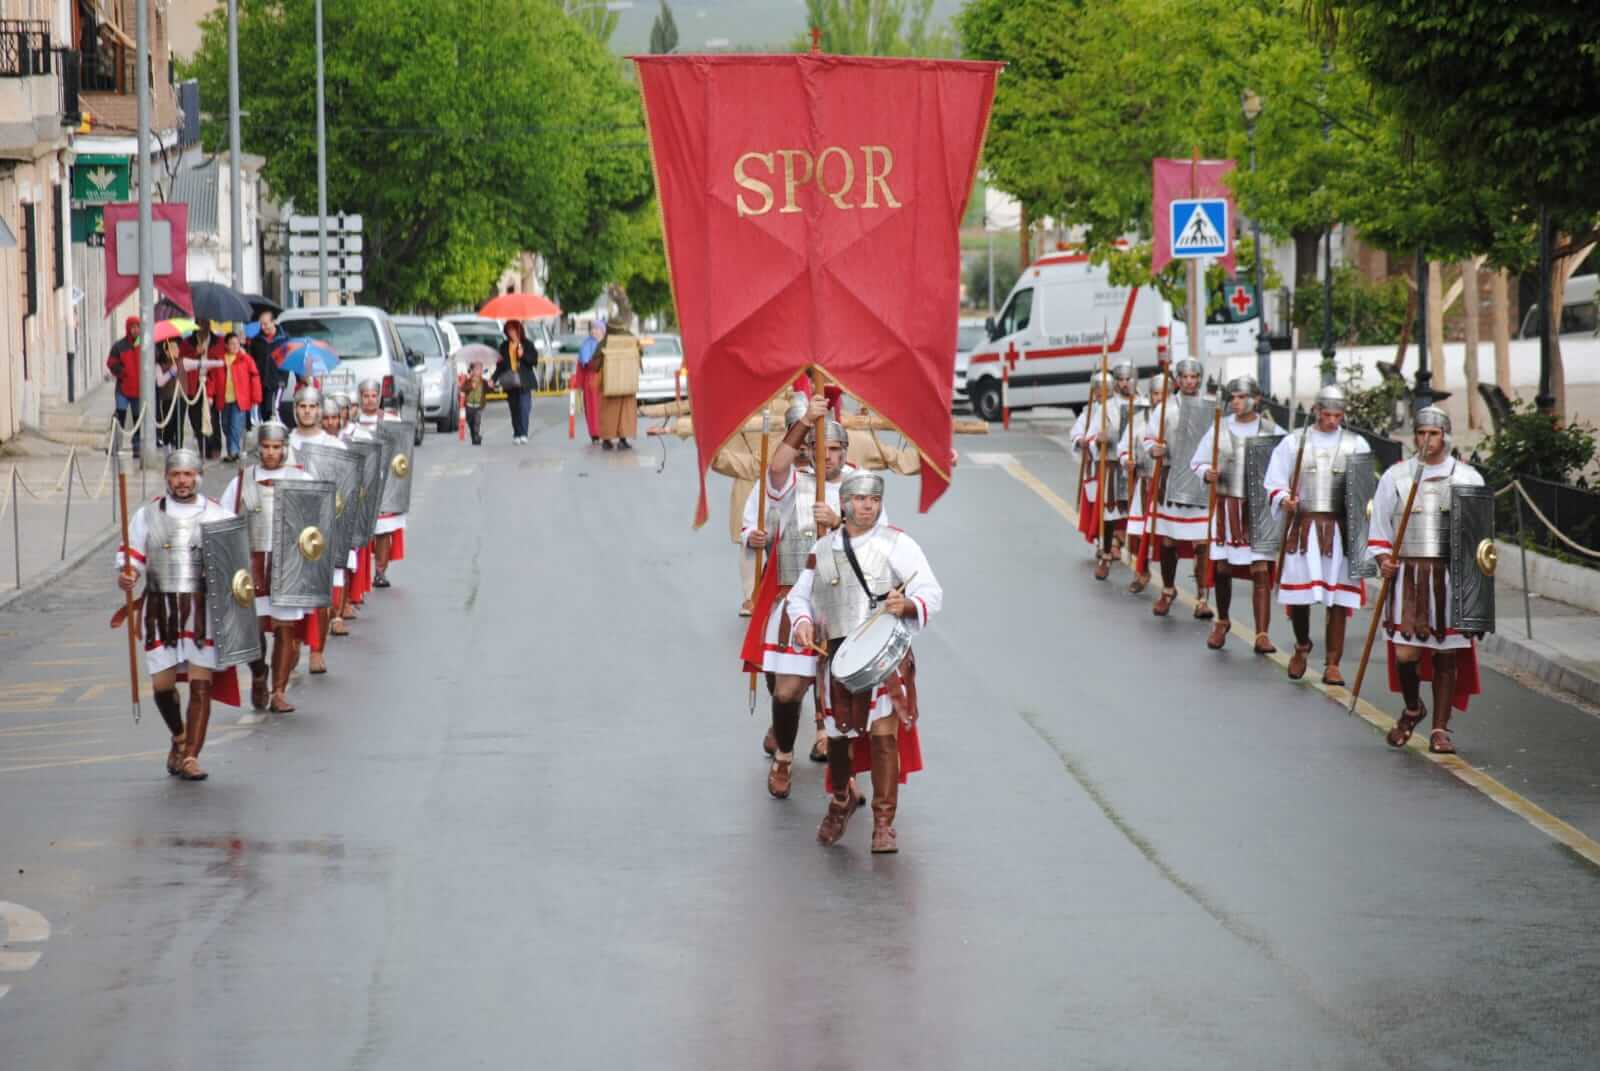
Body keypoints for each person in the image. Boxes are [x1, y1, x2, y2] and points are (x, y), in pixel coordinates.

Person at [788, 472, 942, 852]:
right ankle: (841, 801)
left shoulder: (897, 543)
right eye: (858, 498)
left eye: (873, 499)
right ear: (845, 502)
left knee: (883, 735)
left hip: (884, 655)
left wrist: (905, 604)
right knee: (840, 738)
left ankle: (884, 823)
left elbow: (930, 590)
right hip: (838, 654)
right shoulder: (823, 549)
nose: (867, 505)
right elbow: (799, 598)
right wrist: (803, 622)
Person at [741, 396, 872, 793]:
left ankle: (846, 775)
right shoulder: (794, 482)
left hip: (846, 604)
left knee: (848, 696)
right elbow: (776, 468)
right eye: (821, 447)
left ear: (845, 451)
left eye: (835, 449)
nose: (828, 456)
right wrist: (805, 422)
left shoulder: (859, 483)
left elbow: (880, 540)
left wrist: (841, 522)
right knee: (787, 691)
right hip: (797, 601)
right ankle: (783, 757)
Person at [1367, 407, 1486, 754]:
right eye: (1420, 433)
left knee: (1446, 653)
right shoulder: (1396, 477)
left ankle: (1440, 729)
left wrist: (1476, 592)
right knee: (1406, 653)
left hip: (1449, 575)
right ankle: (1413, 708)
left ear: (1445, 436)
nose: (1426, 440)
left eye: (1433, 434)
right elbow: (1379, 531)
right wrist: (1383, 559)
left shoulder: (1466, 478)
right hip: (1408, 575)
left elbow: (1479, 541)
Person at [115, 448, 238, 780]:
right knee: (161, 686)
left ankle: (191, 757)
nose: (182, 481)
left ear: (198, 475)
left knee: (201, 686)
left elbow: (234, 568)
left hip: (201, 612)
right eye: (176, 475)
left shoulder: (216, 514)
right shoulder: (148, 514)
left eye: (188, 474)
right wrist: (128, 573)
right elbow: (132, 556)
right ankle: (180, 737)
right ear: (167, 477)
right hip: (162, 610)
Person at [1265, 384, 1372, 684]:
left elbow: (1364, 494)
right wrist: (1283, 497)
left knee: (1338, 597)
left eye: (1338, 415)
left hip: (1340, 530)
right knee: (1300, 594)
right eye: (1327, 414)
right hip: (1304, 528)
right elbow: (1274, 480)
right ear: (1316, 411)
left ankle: (1333, 663)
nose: (1333, 421)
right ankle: (1302, 645)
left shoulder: (1356, 445)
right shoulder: (1294, 443)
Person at [1190, 374, 1283, 653]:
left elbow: (1288, 464)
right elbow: (1197, 461)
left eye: (1242, 397)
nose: (1236, 402)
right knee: (1222, 568)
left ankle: (1262, 634)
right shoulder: (1220, 428)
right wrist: (1208, 472)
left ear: (1255, 398)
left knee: (1260, 571)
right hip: (1228, 505)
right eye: (1233, 397)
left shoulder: (1270, 430)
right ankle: (1223, 620)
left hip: (1258, 509)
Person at [222, 422, 310, 713]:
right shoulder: (240, 483)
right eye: (266, 447)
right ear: (258, 448)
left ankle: (279, 691)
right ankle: (259, 673)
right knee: (253, 631)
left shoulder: (302, 479)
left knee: (285, 629)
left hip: (288, 564)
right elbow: (224, 524)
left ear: (285, 448)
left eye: (276, 447)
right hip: (252, 566)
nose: (271, 453)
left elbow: (316, 526)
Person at [1140, 358, 1215, 618]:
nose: (1190, 381)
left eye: (1194, 376)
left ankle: (1203, 597)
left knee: (1202, 543)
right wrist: (1154, 448)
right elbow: (1148, 439)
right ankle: (1168, 589)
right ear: (1177, 380)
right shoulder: (1165, 409)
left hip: (1201, 481)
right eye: (1185, 376)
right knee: (1169, 540)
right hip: (1172, 479)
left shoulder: (1211, 408)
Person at [1070, 367, 1134, 580]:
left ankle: (1132, 555)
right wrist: (1095, 440)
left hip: (1133, 468)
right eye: (1121, 380)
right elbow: (1085, 434)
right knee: (1108, 511)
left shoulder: (1140, 405)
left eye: (1128, 379)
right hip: (1108, 466)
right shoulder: (1100, 409)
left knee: (1134, 513)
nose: (1124, 384)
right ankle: (1106, 550)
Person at [354, 380, 407, 589]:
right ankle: (358, 576)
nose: (369, 400)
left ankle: (380, 572)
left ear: (379, 397)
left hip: (385, 482)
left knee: (383, 529)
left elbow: (401, 452)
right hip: (361, 483)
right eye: (365, 396)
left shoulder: (391, 421)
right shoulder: (353, 422)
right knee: (359, 530)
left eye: (373, 396)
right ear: (360, 397)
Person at [207, 332, 262, 462]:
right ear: (226, 345)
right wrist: (209, 394)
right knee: (225, 425)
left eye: (237, 343)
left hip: (240, 399)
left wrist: (256, 397)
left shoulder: (246, 359)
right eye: (232, 343)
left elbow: (255, 377)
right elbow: (212, 379)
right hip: (224, 398)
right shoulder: (220, 360)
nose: (235, 346)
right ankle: (232, 449)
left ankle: (234, 452)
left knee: (235, 426)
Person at [593, 323, 639, 450]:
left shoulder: (605, 341)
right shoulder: (631, 338)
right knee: (625, 413)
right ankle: (623, 440)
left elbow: (595, 363)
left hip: (610, 383)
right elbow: (640, 354)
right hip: (628, 382)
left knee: (608, 413)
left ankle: (607, 440)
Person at [106, 316, 143, 453]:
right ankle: (116, 444)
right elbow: (111, 362)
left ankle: (137, 445)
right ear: (128, 328)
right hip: (123, 389)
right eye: (133, 327)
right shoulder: (119, 346)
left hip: (139, 390)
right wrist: (123, 373)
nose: (135, 330)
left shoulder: (144, 344)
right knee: (120, 416)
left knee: (137, 418)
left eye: (137, 327)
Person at [495, 319, 535, 444]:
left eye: (513, 330)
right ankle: (517, 433)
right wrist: (493, 379)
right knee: (514, 408)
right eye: (509, 330)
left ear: (519, 330)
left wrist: (522, 355)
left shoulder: (527, 344)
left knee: (524, 407)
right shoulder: (504, 346)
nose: (511, 333)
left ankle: (524, 433)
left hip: (524, 380)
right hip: (510, 381)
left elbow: (534, 361)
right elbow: (500, 366)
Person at [249, 310, 286, 424]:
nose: (263, 327)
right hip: (261, 383)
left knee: (274, 411)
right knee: (264, 413)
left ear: (273, 322)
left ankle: (278, 437)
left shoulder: (284, 340)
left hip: (277, 382)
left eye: (265, 324)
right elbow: (251, 361)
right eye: (261, 324)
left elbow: (290, 359)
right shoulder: (256, 341)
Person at [573, 321, 604, 444]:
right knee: (592, 408)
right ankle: (595, 434)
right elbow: (582, 365)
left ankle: (606, 432)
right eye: (592, 329)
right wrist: (579, 384)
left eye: (597, 329)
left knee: (604, 408)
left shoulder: (607, 343)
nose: (594, 331)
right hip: (591, 380)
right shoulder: (587, 344)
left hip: (606, 380)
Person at [463, 361, 488, 446]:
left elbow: (488, 389)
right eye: (477, 369)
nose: (479, 371)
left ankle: (476, 436)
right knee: (471, 422)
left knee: (477, 422)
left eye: (481, 369)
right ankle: (474, 435)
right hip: (469, 406)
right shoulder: (468, 381)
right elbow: (463, 389)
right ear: (472, 370)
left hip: (479, 406)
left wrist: (492, 385)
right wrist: (470, 386)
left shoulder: (483, 382)